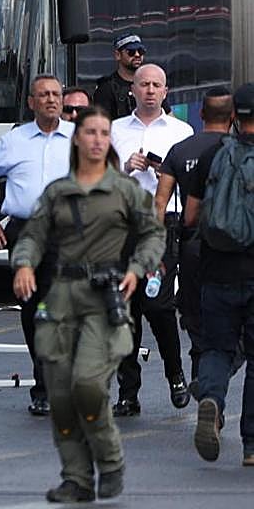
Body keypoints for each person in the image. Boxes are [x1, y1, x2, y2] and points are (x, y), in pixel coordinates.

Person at [13, 106, 165, 503]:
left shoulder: (124, 191)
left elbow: (152, 234)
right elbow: (33, 235)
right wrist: (24, 264)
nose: (97, 139)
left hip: (106, 296)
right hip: (62, 296)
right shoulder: (57, 192)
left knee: (88, 385)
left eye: (103, 133)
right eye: (90, 132)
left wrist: (137, 268)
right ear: (77, 138)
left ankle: (110, 459)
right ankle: (76, 478)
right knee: (60, 396)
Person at [0, 74, 73, 417]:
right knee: (33, 310)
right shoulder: (13, 141)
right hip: (26, 231)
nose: (51, 100)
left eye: (56, 94)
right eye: (43, 95)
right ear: (31, 102)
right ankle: (43, 386)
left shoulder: (77, 140)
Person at [110, 63, 193, 415]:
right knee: (124, 309)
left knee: (158, 305)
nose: (148, 90)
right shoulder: (115, 129)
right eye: (143, 84)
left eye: (155, 85)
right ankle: (128, 392)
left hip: (162, 226)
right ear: (133, 89)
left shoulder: (181, 130)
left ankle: (175, 373)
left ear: (165, 91)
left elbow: (193, 180)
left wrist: (166, 173)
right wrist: (125, 167)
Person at [185, 82, 254, 466]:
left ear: (232, 118)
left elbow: (192, 216)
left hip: (217, 271)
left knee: (216, 347)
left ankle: (211, 396)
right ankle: (251, 447)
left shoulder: (213, 156)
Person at [154, 87, 234, 393]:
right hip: (233, 247)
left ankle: (201, 367)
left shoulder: (180, 150)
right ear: (231, 117)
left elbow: (160, 203)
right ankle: (214, 379)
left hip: (191, 245)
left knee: (194, 313)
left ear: (201, 114)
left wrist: (154, 247)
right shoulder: (238, 149)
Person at [93, 33, 146, 119]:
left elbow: (168, 115)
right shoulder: (106, 88)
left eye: (140, 51)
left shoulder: (151, 84)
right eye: (131, 52)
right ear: (118, 55)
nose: (137, 55)